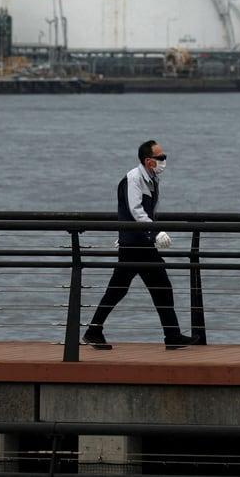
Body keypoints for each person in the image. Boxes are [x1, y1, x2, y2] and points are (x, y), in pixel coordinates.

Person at [82, 140, 202, 350]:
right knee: (154, 287)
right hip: (135, 244)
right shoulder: (133, 179)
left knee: (123, 289)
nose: (164, 160)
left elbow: (145, 212)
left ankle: (94, 330)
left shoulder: (152, 179)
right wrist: (156, 231)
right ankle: (171, 336)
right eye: (161, 157)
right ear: (149, 161)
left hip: (139, 243)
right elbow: (135, 210)